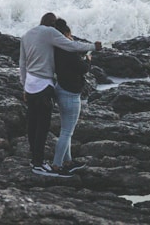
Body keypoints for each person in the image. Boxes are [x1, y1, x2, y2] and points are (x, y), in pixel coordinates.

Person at [19, 12, 102, 177]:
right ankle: (39, 164)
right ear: (51, 25)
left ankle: (37, 160)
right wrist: (93, 47)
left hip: (30, 85)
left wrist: (24, 86)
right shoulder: (49, 32)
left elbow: (22, 63)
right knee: (42, 128)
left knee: (32, 126)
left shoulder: (26, 35)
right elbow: (71, 46)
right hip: (43, 85)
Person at [52, 18, 91, 176]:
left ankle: (68, 162)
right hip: (71, 94)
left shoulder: (55, 48)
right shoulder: (69, 50)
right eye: (70, 35)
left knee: (65, 130)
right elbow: (82, 68)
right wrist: (88, 60)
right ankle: (56, 165)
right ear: (66, 34)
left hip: (60, 89)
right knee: (67, 132)